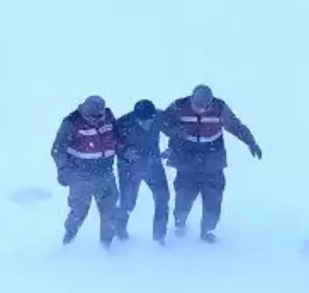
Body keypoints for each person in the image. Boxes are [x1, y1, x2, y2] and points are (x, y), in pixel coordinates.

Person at [162, 84, 262, 242]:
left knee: (213, 198)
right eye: (196, 106)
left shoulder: (219, 108)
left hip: (212, 159)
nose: (200, 109)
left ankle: (207, 230)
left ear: (210, 103)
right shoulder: (179, 106)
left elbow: (236, 126)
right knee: (184, 195)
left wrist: (251, 142)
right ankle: (180, 222)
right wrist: (177, 131)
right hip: (186, 158)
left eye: (204, 107)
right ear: (191, 98)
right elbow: (163, 123)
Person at [51, 95, 119, 248]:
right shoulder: (71, 122)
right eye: (92, 117)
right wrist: (63, 169)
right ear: (85, 111)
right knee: (79, 212)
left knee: (110, 212)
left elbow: (117, 138)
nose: (96, 120)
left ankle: (106, 247)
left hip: (106, 173)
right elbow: (57, 150)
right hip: (80, 175)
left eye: (99, 116)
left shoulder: (108, 117)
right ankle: (68, 242)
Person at [114, 99, 171, 244]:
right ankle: (119, 228)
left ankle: (159, 236)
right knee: (128, 202)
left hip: (154, 164)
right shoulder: (122, 123)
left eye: (149, 120)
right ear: (135, 117)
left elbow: (175, 131)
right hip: (129, 167)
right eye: (142, 121)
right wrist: (124, 151)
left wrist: (173, 149)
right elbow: (111, 142)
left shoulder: (159, 117)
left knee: (163, 198)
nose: (146, 124)